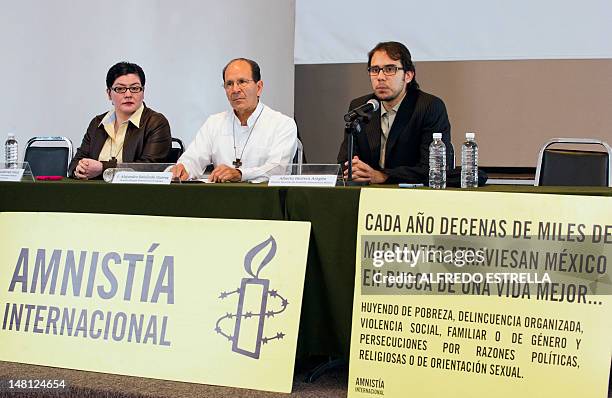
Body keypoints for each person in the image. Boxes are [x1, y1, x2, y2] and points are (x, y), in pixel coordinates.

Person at [337, 41, 451, 184]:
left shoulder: (429, 107)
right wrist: (355, 170)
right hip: (368, 193)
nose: (380, 77)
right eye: (374, 70)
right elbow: (344, 161)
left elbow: (433, 169)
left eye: (390, 69)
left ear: (408, 76)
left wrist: (382, 176)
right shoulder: (362, 107)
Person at [172, 58, 297, 183]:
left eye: (242, 82)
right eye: (229, 84)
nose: (235, 90)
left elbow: (277, 169)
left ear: (259, 87)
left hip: (264, 199)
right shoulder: (214, 123)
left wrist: (240, 174)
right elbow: (193, 158)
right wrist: (183, 168)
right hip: (221, 199)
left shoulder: (283, 124)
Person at [69, 62, 171, 179]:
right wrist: (79, 169)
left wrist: (103, 168)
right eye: (120, 89)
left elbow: (150, 168)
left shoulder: (156, 123)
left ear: (143, 92)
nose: (128, 94)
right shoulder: (97, 123)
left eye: (134, 88)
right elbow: (75, 162)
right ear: (109, 94)